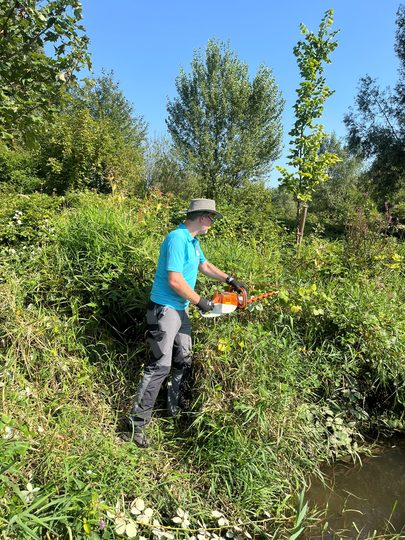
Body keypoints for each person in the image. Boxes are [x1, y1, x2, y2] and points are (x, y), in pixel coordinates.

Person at [127, 198, 244, 447]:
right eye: (211, 218)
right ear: (202, 217)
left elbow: (205, 266)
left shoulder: (193, 241)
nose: (212, 222)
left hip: (181, 310)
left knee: (184, 358)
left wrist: (230, 279)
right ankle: (137, 424)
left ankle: (172, 407)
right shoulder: (177, 238)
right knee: (160, 364)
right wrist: (200, 301)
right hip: (164, 310)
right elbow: (175, 281)